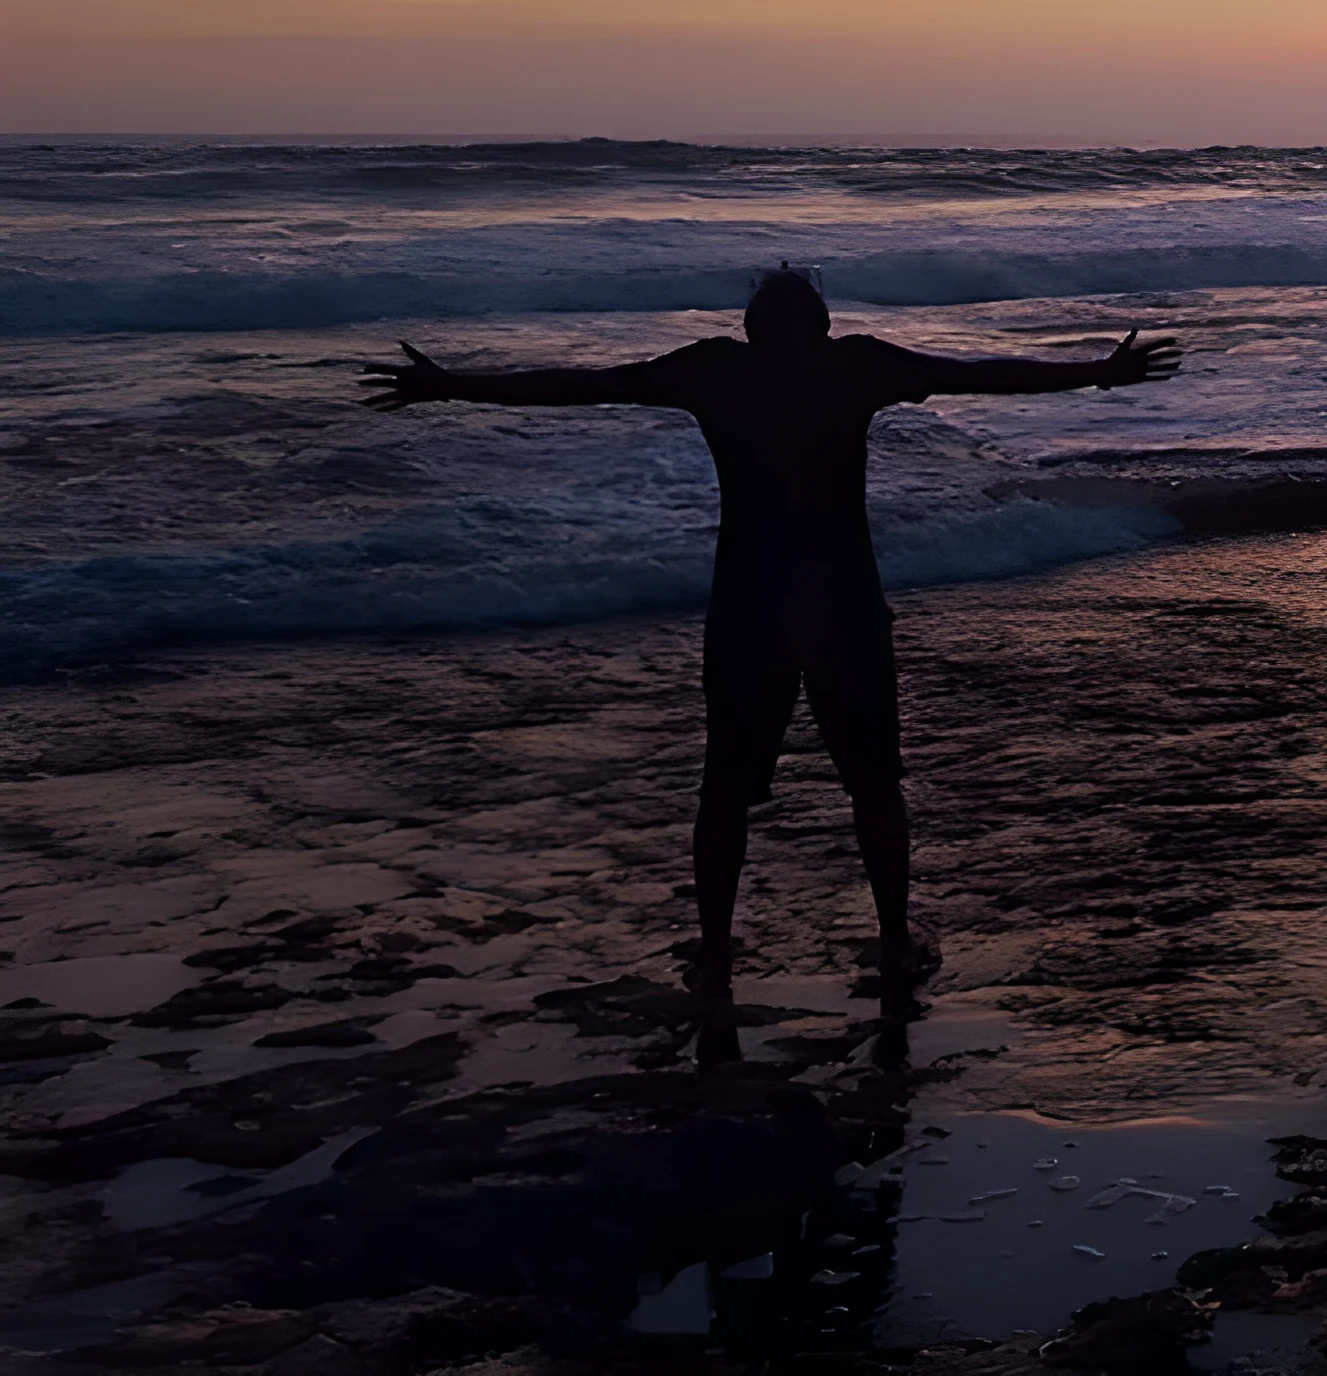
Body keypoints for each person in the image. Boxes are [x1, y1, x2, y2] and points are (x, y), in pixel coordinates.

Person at [363, 267, 1178, 993]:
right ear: (820, 325)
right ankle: (893, 942)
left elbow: (581, 383)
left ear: (749, 328)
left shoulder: (717, 374)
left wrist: (452, 386)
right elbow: (983, 375)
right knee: (873, 782)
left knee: (725, 789)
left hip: (749, 606)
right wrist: (1098, 374)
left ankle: (716, 953)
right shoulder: (854, 367)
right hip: (843, 604)